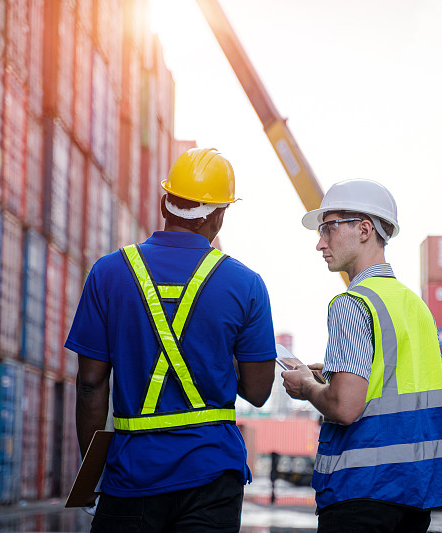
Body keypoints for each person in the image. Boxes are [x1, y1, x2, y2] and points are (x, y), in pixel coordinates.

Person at [67, 148, 277, 533]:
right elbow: (259, 391)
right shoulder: (246, 284)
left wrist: (93, 472)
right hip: (212, 478)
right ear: (217, 214)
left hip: (130, 477)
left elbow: (90, 383)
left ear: (165, 203)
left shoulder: (108, 273)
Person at [281, 179, 442, 533]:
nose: (320, 243)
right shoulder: (416, 307)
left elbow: (345, 407)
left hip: (362, 493)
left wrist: (306, 387)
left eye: (328, 229)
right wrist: (332, 376)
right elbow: (394, 384)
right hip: (415, 493)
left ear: (364, 230)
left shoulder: (352, 303)